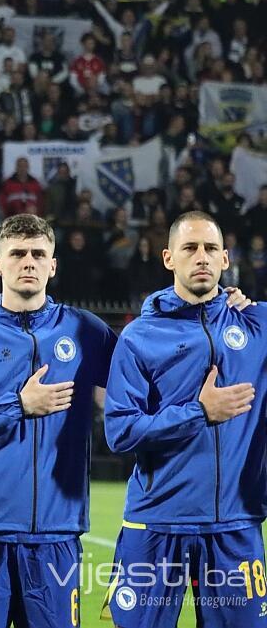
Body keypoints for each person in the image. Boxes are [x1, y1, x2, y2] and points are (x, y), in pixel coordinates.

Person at [0, 213, 119, 627]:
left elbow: (146, 370)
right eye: (17, 254)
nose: (28, 262)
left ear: (53, 265)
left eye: (38, 254)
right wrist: (17, 405)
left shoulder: (86, 331)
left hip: (55, 536)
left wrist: (214, 307)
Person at [103, 211, 267, 626]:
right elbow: (120, 431)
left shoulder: (258, 324)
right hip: (156, 522)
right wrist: (199, 412)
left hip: (236, 525)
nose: (202, 257)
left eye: (211, 248)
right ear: (168, 258)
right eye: (190, 248)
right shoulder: (139, 337)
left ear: (226, 259)